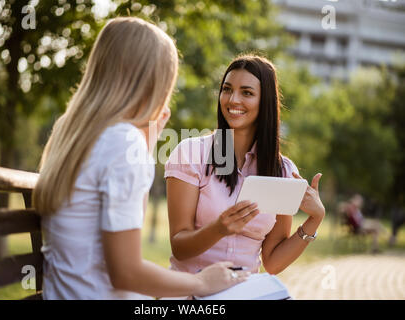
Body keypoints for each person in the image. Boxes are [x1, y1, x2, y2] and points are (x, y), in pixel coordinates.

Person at [32, 17, 249, 300]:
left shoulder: (72, 131)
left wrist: (145, 145)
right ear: (153, 81)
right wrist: (202, 283)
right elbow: (126, 272)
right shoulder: (122, 143)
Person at [164, 54, 326, 275]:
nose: (233, 100)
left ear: (265, 101)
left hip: (245, 291)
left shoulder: (283, 172)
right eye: (227, 89)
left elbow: (272, 262)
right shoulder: (191, 154)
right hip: (192, 291)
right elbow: (179, 247)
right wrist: (219, 229)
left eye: (247, 93)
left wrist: (315, 219)